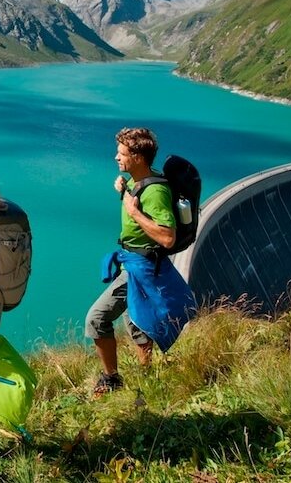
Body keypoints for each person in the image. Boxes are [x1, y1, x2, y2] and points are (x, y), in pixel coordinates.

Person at [85, 127, 196, 395]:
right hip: (133, 264)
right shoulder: (140, 181)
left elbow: (167, 237)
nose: (116, 157)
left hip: (142, 267)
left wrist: (134, 213)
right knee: (136, 320)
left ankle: (111, 379)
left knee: (96, 319)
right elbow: (137, 206)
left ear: (138, 157)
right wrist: (123, 192)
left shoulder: (155, 192)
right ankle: (147, 378)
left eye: (121, 153)